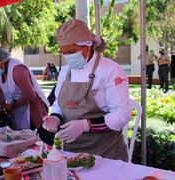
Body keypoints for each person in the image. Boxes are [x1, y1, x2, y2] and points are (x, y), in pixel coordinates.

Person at [42, 19, 131, 161]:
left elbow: (122, 115)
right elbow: (59, 105)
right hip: (72, 153)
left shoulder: (111, 70)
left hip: (106, 152)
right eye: (63, 52)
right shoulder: (65, 72)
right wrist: (55, 118)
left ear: (87, 46)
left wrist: (85, 125)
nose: (67, 57)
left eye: (71, 51)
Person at [0, 48, 53, 145]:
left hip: (33, 109)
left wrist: (11, 106)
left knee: (38, 141)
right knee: (21, 141)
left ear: (2, 62)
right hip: (17, 108)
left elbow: (30, 94)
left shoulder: (17, 69)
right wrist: (3, 104)